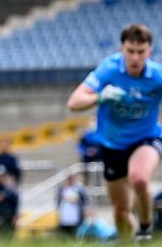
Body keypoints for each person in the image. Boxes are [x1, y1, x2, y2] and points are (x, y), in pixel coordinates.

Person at [67, 23, 162, 242]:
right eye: (130, 51)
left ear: (150, 51)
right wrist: (100, 97)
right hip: (112, 145)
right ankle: (128, 241)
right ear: (122, 49)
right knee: (120, 211)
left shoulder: (157, 76)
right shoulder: (109, 69)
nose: (135, 57)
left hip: (146, 138)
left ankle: (146, 229)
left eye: (141, 52)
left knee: (139, 178)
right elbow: (74, 102)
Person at [56, 172, 89, 237]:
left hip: (75, 212)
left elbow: (84, 200)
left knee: (75, 229)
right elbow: (58, 200)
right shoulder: (62, 189)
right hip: (65, 212)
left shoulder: (79, 188)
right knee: (65, 228)